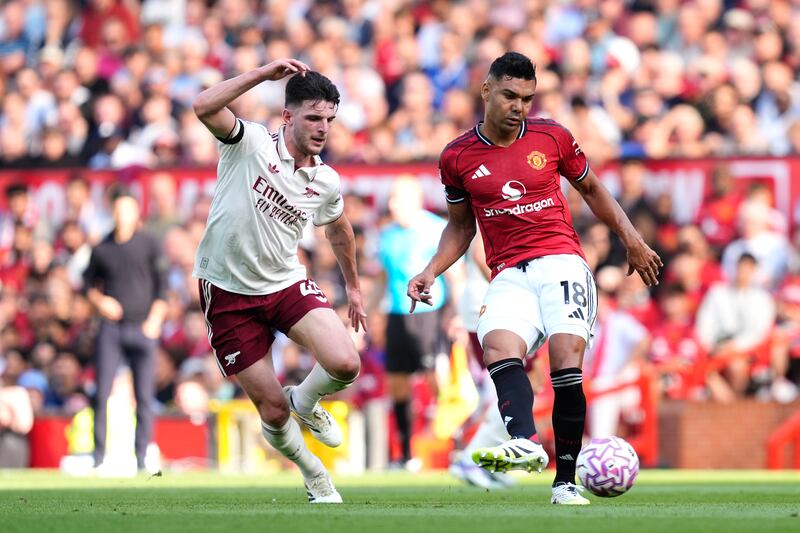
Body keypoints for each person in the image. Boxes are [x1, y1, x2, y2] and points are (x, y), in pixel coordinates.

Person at [407, 52, 661, 505]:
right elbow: (461, 228)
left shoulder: (552, 136)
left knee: (565, 361)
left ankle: (565, 482)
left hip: (562, 262)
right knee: (498, 347)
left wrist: (632, 239)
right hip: (508, 272)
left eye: (527, 98)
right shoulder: (457, 156)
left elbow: (591, 189)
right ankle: (524, 442)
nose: (519, 107)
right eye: (510, 95)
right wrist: (430, 270)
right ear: (486, 90)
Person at [192, 58, 366, 503]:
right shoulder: (249, 143)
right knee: (271, 409)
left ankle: (304, 402)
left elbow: (339, 230)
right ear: (287, 116)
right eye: (313, 118)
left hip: (284, 284)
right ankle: (314, 473)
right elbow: (203, 106)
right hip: (227, 291)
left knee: (345, 363)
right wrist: (261, 74)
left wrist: (354, 287)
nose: (323, 128)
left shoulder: (325, 181)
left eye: (329, 120)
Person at [83, 192, 167, 473]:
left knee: (144, 396)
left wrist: (155, 320)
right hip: (112, 329)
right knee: (102, 392)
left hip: (143, 327)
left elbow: (162, 286)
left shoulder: (149, 244)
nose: (121, 216)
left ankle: (141, 457)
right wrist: (101, 301)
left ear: (136, 213)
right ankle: (98, 457)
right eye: (117, 211)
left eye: (127, 210)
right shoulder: (102, 248)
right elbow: (87, 284)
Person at [377, 176, 448, 470]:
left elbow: (453, 274)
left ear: (416, 200)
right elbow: (383, 277)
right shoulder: (386, 235)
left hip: (431, 312)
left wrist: (454, 315)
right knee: (397, 383)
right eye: (391, 199)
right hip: (397, 313)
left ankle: (452, 445)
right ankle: (406, 454)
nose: (393, 205)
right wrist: (371, 310)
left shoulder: (437, 229)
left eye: (398, 198)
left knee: (437, 379)